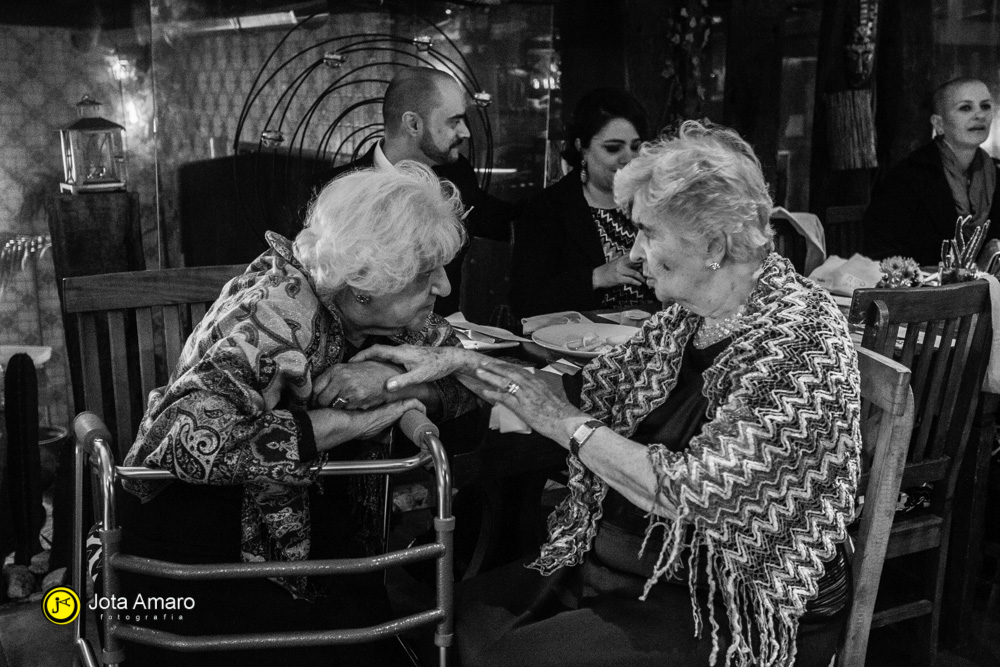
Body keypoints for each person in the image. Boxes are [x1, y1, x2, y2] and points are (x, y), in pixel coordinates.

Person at [356, 121, 861, 667]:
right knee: (452, 613)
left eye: (648, 231)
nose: (637, 252)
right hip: (638, 560)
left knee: (505, 655)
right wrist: (453, 365)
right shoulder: (686, 321)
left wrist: (565, 424)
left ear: (714, 245)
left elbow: (693, 491)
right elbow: (573, 388)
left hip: (727, 594)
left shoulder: (799, 342)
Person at [114, 162, 479, 665]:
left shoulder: (380, 313)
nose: (443, 287)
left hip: (312, 558)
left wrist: (385, 380)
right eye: (426, 272)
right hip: (199, 567)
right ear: (365, 279)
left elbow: (472, 371)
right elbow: (181, 438)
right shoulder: (274, 312)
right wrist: (343, 424)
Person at [313, 66, 515, 317]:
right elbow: (313, 285)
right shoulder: (330, 189)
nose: (465, 132)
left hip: (440, 336)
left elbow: (502, 219)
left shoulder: (458, 175)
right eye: (454, 121)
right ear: (413, 124)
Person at [509, 88, 657, 319]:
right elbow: (524, 301)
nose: (629, 158)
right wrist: (596, 278)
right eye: (613, 148)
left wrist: (715, 267)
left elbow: (710, 267)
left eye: (636, 146)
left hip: (657, 335)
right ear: (581, 147)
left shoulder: (658, 202)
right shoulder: (548, 209)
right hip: (577, 343)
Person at [864, 76, 999, 264]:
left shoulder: (996, 173)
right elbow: (880, 249)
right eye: (965, 108)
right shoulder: (908, 177)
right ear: (939, 124)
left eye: (985, 106)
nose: (979, 115)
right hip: (922, 288)